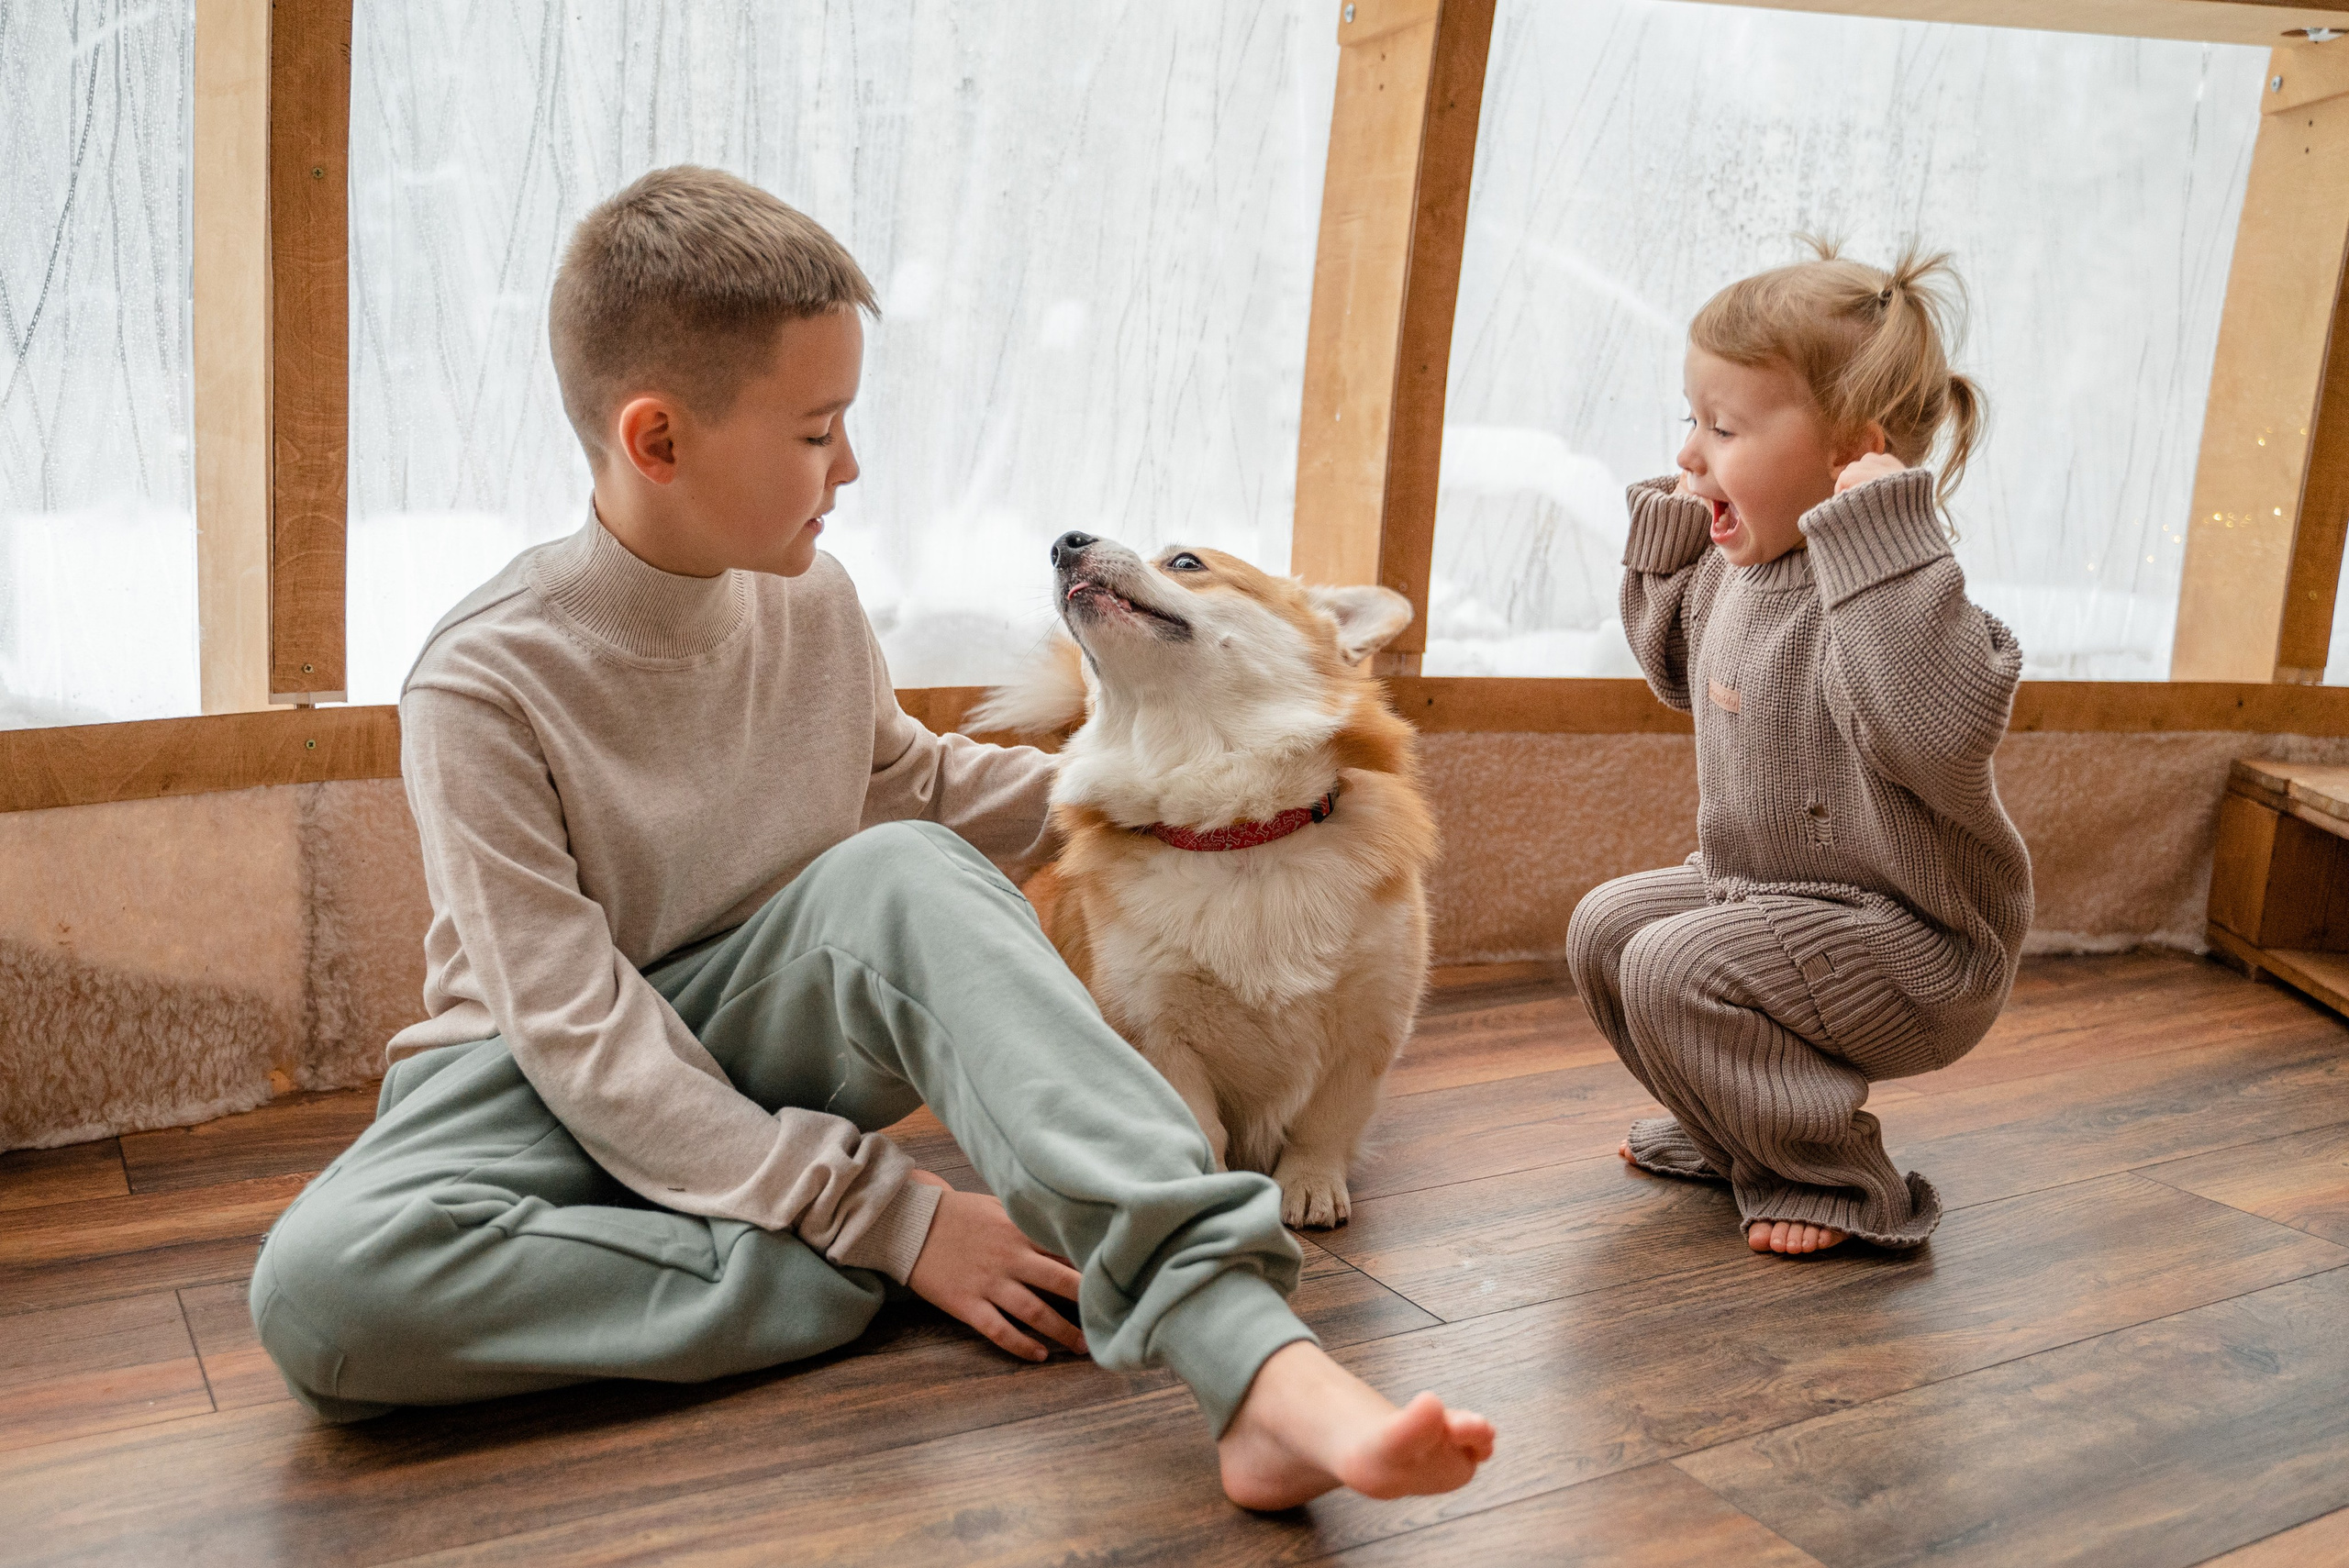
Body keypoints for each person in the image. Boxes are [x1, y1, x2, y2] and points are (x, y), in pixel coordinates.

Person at [248, 165, 1493, 1508]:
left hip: (754, 1022)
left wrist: (1236, 784)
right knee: (320, 1299)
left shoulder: (812, 602)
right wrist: (898, 1220)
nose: (850, 467)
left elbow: (916, 789)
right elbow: (574, 1029)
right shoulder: (481, 685)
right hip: (524, 1081)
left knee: (900, 870)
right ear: (657, 441)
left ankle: (1252, 1368)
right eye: (816, 431)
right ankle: (851, 1264)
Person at [1566, 240, 2032, 1257]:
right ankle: (1733, 1124)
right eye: (1689, 419)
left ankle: (1833, 1174)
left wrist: (1883, 533)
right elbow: (1671, 664)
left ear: (1846, 456)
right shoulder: (1747, 570)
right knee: (1608, 927)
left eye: (1723, 427)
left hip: (1912, 935)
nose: (1690, 451)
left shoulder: (1899, 592)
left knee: (1676, 963)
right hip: (1765, 894)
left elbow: (1932, 728)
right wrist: (1670, 532)